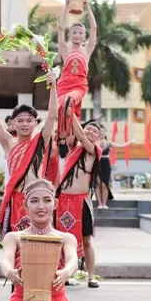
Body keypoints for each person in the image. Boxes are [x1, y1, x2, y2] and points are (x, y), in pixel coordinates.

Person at [0, 178, 79, 301]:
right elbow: (5, 261)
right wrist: (10, 272)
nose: (41, 206)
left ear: (55, 203)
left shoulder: (66, 238)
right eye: (34, 201)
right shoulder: (14, 237)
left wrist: (66, 272)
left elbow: (73, 261)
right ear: (25, 206)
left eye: (46, 200)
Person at [0, 70, 57, 237]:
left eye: (29, 120)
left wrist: (53, 87)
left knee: (38, 244)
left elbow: (52, 116)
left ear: (35, 123)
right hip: (15, 200)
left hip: (36, 200)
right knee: (16, 245)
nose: (25, 124)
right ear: (13, 124)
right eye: (20, 120)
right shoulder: (8, 142)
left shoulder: (40, 141)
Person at [56, 117, 102, 288]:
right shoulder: (73, 149)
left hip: (81, 202)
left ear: (99, 137)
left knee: (87, 240)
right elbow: (72, 134)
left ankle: (91, 276)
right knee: (61, 240)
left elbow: (81, 137)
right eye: (88, 129)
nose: (90, 132)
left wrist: (72, 113)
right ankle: (64, 274)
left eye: (94, 131)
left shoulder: (94, 150)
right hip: (63, 201)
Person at [56, 0, 97, 158]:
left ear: (84, 36)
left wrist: (87, 7)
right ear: (70, 35)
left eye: (80, 32)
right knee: (63, 109)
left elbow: (94, 28)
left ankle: (65, 137)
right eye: (74, 32)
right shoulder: (65, 50)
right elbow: (60, 28)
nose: (77, 35)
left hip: (78, 87)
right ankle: (64, 139)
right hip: (63, 86)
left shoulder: (86, 51)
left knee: (68, 103)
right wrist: (66, 7)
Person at [94, 130, 135, 209]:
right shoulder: (94, 143)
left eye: (103, 132)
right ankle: (99, 203)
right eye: (100, 132)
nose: (102, 133)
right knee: (97, 184)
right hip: (97, 163)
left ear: (105, 133)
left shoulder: (108, 143)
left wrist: (130, 142)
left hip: (105, 163)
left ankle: (104, 204)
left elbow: (121, 146)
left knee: (104, 184)